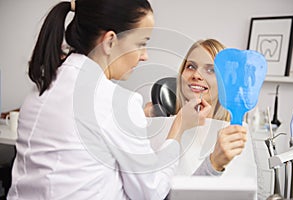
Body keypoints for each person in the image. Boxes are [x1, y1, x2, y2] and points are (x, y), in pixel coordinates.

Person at [7, 1, 212, 200]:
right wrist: (179, 128)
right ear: (110, 41)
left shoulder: (42, 88)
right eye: (141, 44)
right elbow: (151, 192)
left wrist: (136, 118)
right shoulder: (116, 102)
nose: (144, 56)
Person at [145, 39, 256, 177]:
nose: (196, 75)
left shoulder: (237, 132)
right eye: (191, 66)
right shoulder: (161, 126)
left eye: (211, 70)